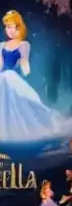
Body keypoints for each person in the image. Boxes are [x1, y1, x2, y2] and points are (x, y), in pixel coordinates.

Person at [0, 10, 67, 143]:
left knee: (22, 102)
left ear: (20, 27)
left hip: (12, 77)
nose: (11, 30)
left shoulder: (24, 45)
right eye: (9, 27)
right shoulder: (1, 45)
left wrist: (29, 76)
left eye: (15, 27)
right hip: (3, 77)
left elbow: (24, 63)